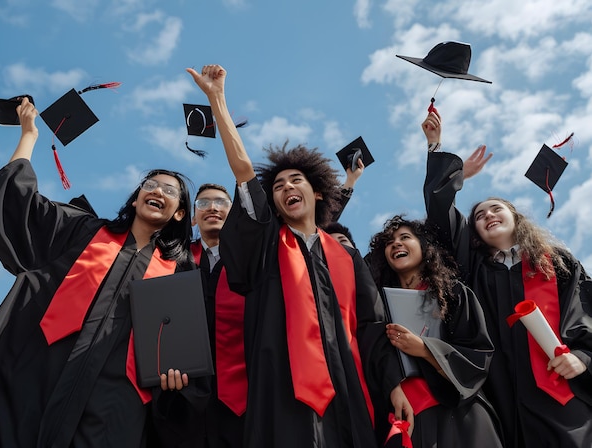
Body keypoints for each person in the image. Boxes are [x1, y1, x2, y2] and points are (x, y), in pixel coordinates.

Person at [0, 97, 198, 447]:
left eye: (170, 190)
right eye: (150, 185)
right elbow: (17, 203)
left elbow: (183, 349)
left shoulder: (180, 272)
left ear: (180, 213)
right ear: (135, 199)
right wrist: (29, 136)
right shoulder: (83, 231)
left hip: (115, 397)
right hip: (42, 369)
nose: (157, 191)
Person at [188, 64, 388, 447]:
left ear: (317, 193)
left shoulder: (345, 258)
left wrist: (395, 385)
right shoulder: (267, 245)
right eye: (278, 185)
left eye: (297, 180)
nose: (286, 187)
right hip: (280, 388)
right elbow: (245, 172)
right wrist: (217, 100)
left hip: (347, 387)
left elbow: (372, 326)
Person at [422, 109, 592, 447]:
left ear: (516, 218)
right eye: (480, 215)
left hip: (560, 393)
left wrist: (583, 357)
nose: (488, 215)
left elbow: (584, 314)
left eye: (496, 209)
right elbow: (442, 212)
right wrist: (439, 152)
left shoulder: (557, 264)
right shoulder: (474, 269)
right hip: (502, 396)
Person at [366, 215, 503, 447]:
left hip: (461, 413)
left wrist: (426, 349)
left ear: (424, 247)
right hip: (406, 415)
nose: (396, 243)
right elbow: (375, 359)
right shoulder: (379, 309)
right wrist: (393, 388)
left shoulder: (453, 294)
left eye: (405, 237)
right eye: (389, 242)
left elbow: (478, 353)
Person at [154, 182, 246, 447]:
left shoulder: (252, 261)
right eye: (203, 203)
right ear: (193, 217)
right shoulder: (172, 259)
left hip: (242, 393)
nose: (213, 208)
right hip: (181, 393)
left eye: (221, 203)